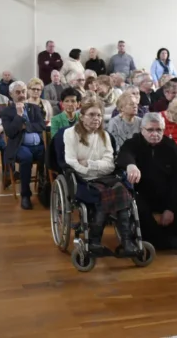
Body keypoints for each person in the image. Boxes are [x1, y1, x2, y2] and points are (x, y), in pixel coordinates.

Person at [116, 113, 177, 251]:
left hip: (166, 194)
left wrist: (170, 208)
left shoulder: (170, 146)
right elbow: (124, 155)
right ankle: (167, 242)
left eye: (159, 130)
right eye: (150, 130)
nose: (155, 134)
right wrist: (130, 165)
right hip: (142, 194)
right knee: (139, 209)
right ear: (142, 130)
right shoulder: (133, 143)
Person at [64, 99, 137, 256]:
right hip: (82, 179)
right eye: (91, 115)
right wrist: (91, 169)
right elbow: (71, 162)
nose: (96, 118)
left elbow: (110, 165)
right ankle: (94, 241)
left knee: (122, 190)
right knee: (104, 193)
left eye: (99, 115)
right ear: (81, 116)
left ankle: (126, 241)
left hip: (105, 177)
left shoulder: (104, 135)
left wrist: (89, 164)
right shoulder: (70, 134)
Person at [1, 81, 46, 210]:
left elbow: (42, 125)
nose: (21, 94)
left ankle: (45, 189)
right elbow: (10, 132)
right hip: (20, 146)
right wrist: (19, 115)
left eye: (23, 91)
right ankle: (25, 196)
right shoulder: (7, 112)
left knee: (51, 154)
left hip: (38, 145)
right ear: (11, 94)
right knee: (26, 158)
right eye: (18, 92)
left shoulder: (34, 108)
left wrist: (26, 126)